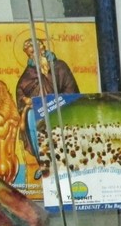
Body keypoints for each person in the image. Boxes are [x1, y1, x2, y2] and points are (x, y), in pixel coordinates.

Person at [15, 36, 80, 178]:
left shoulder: (60, 66)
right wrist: (24, 99)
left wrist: (53, 102)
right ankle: (43, 163)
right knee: (31, 119)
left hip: (58, 108)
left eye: (36, 51)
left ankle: (65, 164)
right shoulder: (30, 71)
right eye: (31, 53)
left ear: (42, 48)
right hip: (37, 111)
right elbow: (20, 89)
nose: (34, 55)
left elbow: (71, 90)